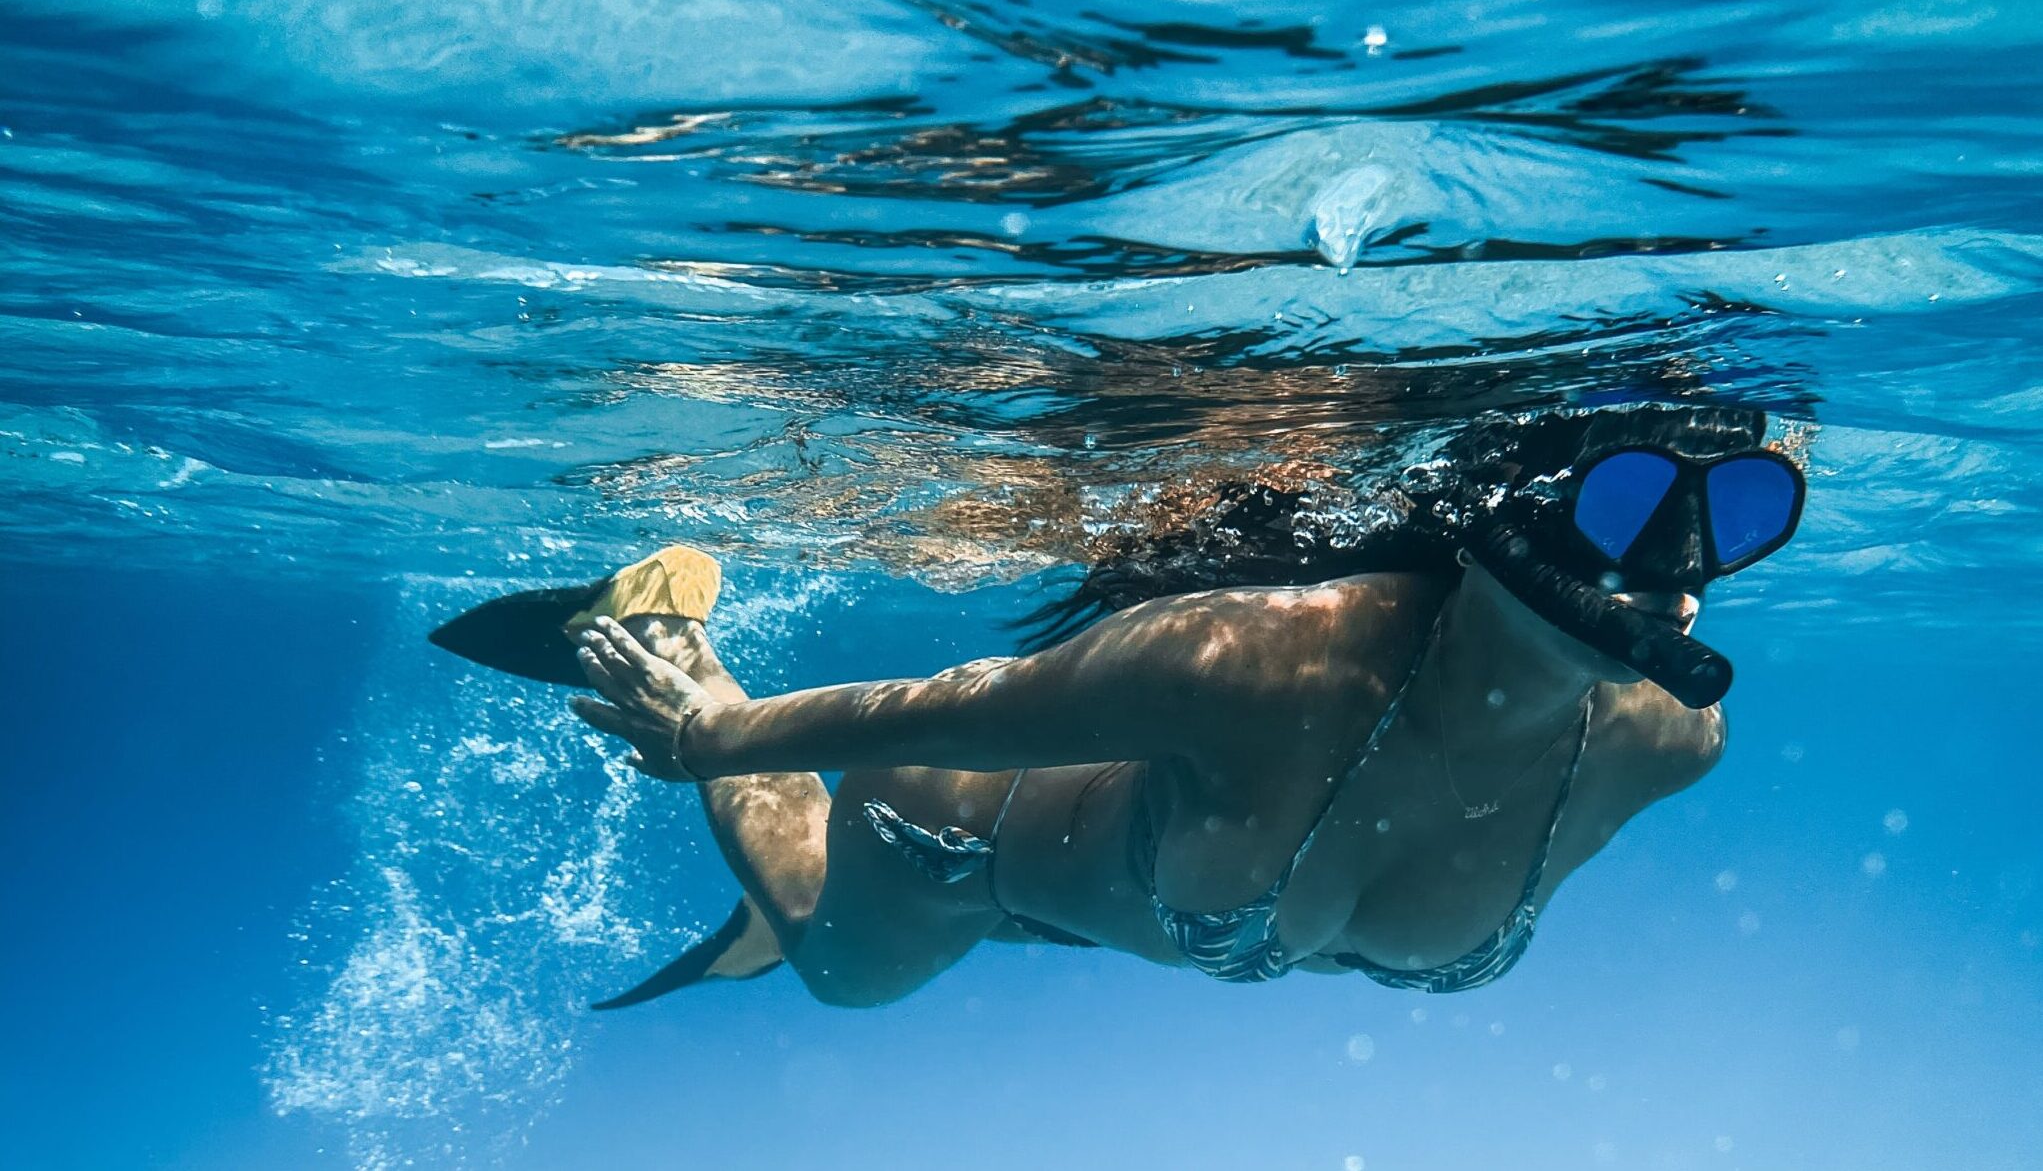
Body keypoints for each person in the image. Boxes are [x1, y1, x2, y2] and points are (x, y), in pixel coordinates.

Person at [432, 404, 1805, 1007]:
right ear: (1508, 512)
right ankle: (670, 627)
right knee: (837, 972)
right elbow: (960, 710)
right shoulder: (1271, 664)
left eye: (1741, 515)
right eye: (1629, 502)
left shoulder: (1668, 740)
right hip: (958, 833)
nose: (1678, 575)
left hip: (1113, 889)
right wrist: (710, 735)